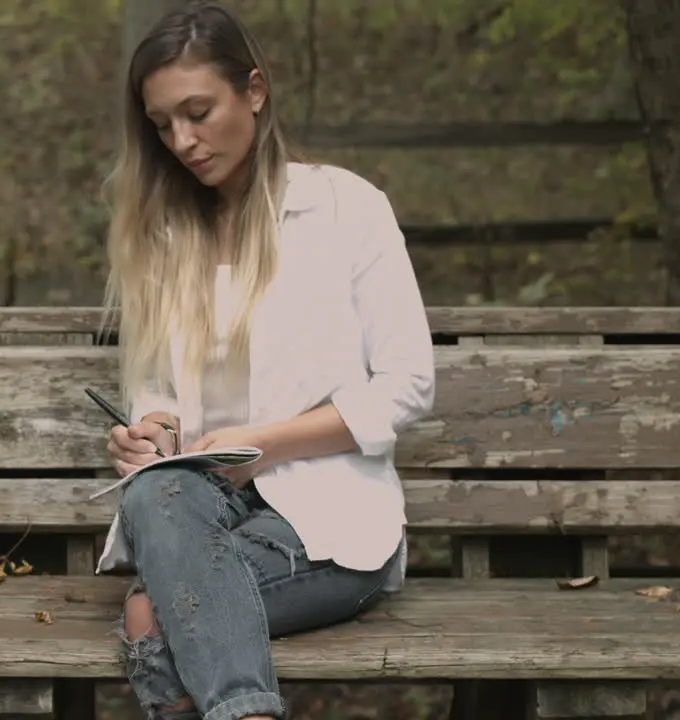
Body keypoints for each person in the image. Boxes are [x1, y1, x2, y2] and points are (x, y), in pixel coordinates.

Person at [95, 2, 436, 719]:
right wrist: (150, 430)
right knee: (152, 491)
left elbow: (407, 385)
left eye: (197, 111)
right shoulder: (164, 236)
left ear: (253, 90)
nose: (182, 141)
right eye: (162, 125)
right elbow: (159, 387)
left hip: (327, 521)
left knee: (148, 618)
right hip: (194, 507)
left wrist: (263, 448)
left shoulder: (346, 209)